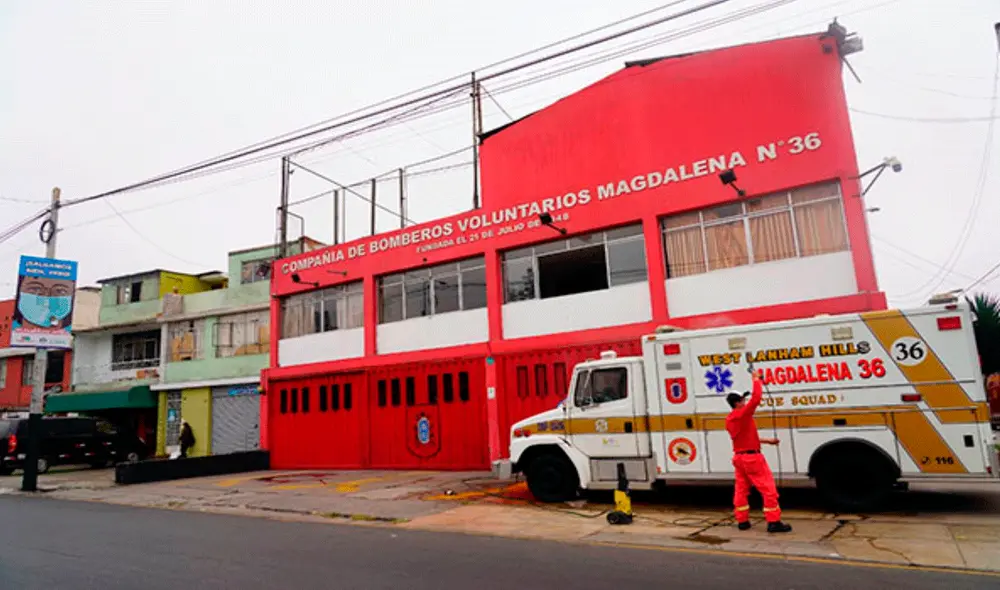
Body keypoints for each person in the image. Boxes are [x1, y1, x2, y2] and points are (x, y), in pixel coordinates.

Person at [725, 371, 792, 533]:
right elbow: (756, 399)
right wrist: (756, 380)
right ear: (737, 402)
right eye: (743, 399)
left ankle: (742, 521)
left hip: (739, 458)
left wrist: (767, 441)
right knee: (769, 490)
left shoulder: (730, 419)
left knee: (741, 490)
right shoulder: (743, 414)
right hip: (752, 459)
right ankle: (773, 522)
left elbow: (744, 439)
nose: (745, 401)